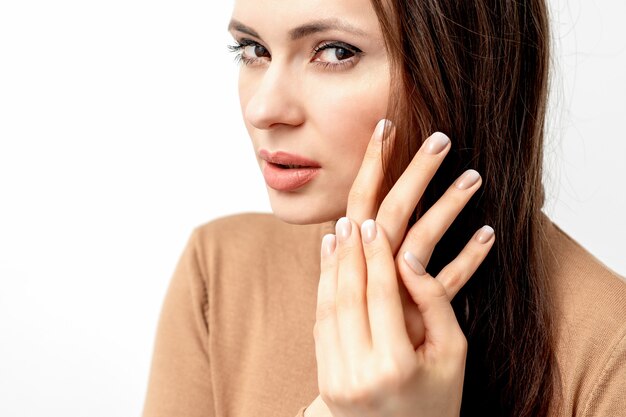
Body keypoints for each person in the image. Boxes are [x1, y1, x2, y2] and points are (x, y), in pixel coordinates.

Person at [141, 0, 626, 416]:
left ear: (464, 69)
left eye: (335, 52)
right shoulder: (222, 268)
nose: (262, 109)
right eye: (253, 50)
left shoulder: (609, 349)